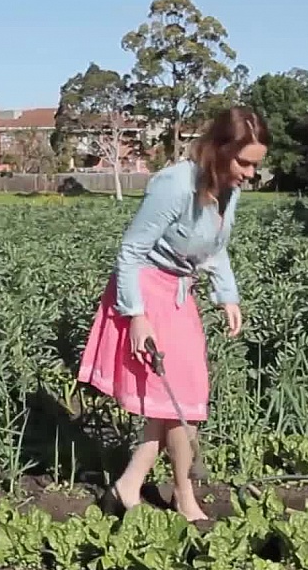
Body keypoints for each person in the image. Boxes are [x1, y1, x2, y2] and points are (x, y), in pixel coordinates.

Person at [76, 106, 269, 523]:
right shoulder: (175, 184)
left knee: (174, 402)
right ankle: (184, 496)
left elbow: (214, 247)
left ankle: (126, 489)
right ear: (219, 149)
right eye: (245, 162)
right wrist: (136, 315)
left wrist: (227, 295)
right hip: (146, 290)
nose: (251, 174)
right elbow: (130, 252)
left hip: (181, 293)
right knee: (183, 399)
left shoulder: (227, 189)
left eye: (256, 165)